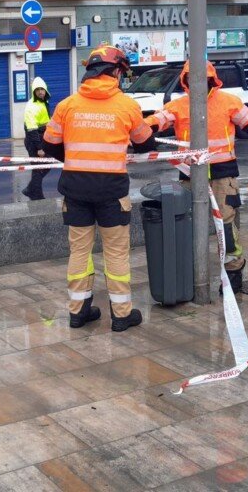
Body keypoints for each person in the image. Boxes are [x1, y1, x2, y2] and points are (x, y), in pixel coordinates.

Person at [43, 45, 156, 331]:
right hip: (111, 193)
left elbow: (49, 144)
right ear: (116, 71)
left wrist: (75, 159)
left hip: (75, 191)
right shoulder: (126, 106)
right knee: (116, 254)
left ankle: (78, 312)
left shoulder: (68, 105)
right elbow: (145, 144)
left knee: (79, 253)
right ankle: (121, 315)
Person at [145, 60, 248, 294]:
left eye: (202, 81)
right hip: (190, 174)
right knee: (187, 225)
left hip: (222, 174)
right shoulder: (179, 106)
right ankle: (191, 275)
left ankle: (233, 273)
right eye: (191, 81)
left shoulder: (229, 102)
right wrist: (138, 132)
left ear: (210, 81)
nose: (197, 85)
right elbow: (155, 122)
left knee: (225, 225)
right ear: (185, 82)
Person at [22, 76, 51, 200]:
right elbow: (32, 129)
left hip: (42, 137)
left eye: (42, 89)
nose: (40, 91)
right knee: (39, 168)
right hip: (34, 140)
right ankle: (36, 195)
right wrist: (39, 148)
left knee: (44, 166)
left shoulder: (43, 102)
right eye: (37, 89)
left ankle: (31, 189)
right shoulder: (32, 106)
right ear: (34, 91)